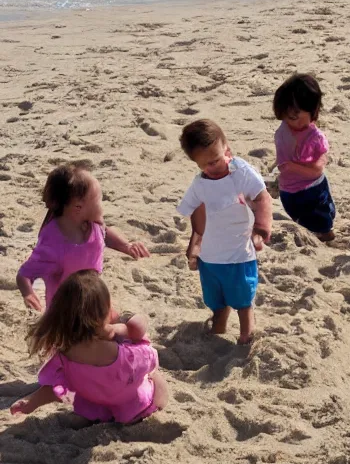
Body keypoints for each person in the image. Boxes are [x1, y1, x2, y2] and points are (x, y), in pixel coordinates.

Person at [10, 270, 168, 424]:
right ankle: (156, 405)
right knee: (155, 377)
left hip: (96, 407)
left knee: (75, 386)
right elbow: (150, 358)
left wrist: (32, 401)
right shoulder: (122, 355)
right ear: (105, 311)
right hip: (132, 408)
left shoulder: (65, 353)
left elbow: (58, 388)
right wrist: (127, 330)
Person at [177, 120, 272, 344]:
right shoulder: (200, 184)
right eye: (205, 165)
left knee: (242, 298)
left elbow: (262, 197)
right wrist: (194, 248)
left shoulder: (241, 172)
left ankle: (247, 332)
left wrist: (261, 228)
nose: (212, 168)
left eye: (216, 160)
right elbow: (197, 216)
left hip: (239, 253)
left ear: (226, 148)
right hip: (211, 256)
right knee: (215, 298)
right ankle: (219, 323)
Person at [16, 163, 149, 311]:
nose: (102, 205)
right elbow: (24, 274)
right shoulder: (54, 242)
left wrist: (126, 246)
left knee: (131, 326)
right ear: (78, 207)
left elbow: (104, 234)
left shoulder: (93, 224)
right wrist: (28, 293)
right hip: (65, 309)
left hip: (93, 297)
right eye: (99, 200)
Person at [273, 74, 335, 242]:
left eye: (294, 117)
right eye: (285, 117)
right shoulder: (284, 129)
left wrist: (292, 167)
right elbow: (283, 156)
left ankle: (326, 237)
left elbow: (317, 169)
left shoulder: (315, 137)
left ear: (312, 111)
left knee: (321, 219)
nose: (289, 121)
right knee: (298, 216)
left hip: (312, 189)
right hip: (288, 189)